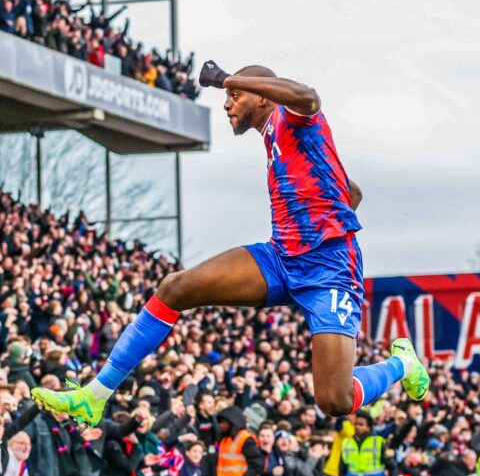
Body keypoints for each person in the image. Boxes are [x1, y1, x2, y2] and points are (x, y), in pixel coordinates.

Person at [31, 63, 430, 428]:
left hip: (329, 271)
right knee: (175, 287)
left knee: (335, 400)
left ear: (262, 96)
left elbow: (308, 97)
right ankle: (94, 396)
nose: (227, 104)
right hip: (281, 257)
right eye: (226, 96)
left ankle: (401, 363)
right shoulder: (272, 136)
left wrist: (228, 77)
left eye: (234, 97)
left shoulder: (292, 117)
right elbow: (352, 191)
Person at [215, 405, 261, 476]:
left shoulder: (245, 439)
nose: (221, 425)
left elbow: (257, 463)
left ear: (232, 422)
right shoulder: (225, 439)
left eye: (224, 422)